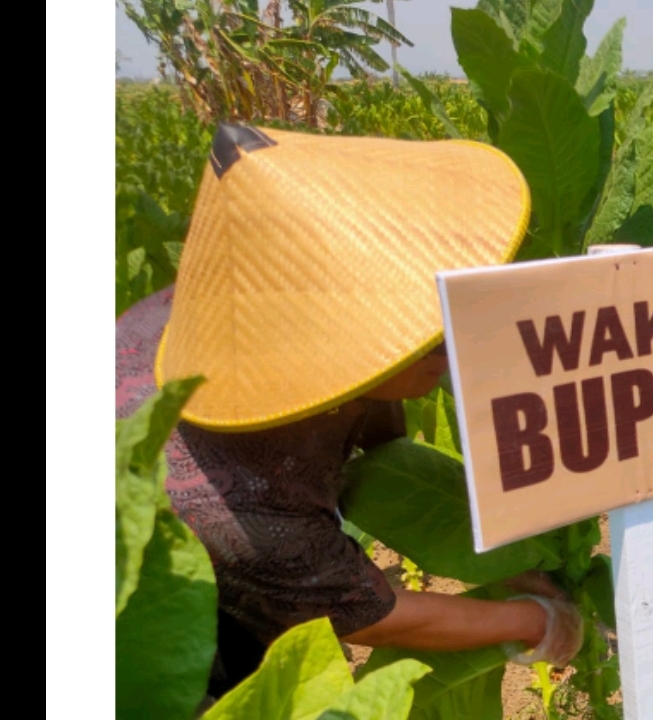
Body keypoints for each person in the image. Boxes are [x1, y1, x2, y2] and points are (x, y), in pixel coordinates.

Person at [113, 123, 584, 702]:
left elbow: (380, 443)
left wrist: (500, 560)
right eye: (424, 335)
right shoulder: (237, 511)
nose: (450, 346)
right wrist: (535, 621)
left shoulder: (243, 305)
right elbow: (369, 615)